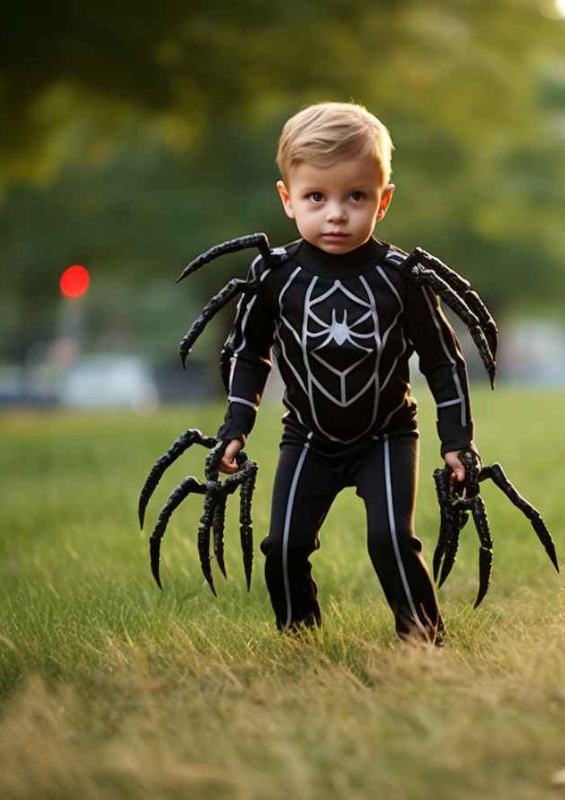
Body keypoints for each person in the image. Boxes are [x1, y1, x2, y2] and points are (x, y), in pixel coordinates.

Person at [214, 102, 474, 644]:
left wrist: (457, 441)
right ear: (287, 200)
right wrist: (235, 428)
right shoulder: (273, 276)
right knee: (282, 546)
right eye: (316, 197)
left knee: (389, 541)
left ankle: (425, 642)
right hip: (306, 436)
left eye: (356, 196)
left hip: (386, 435)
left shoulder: (403, 278)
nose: (336, 213)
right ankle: (300, 640)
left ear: (384, 200)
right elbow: (248, 351)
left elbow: (443, 359)